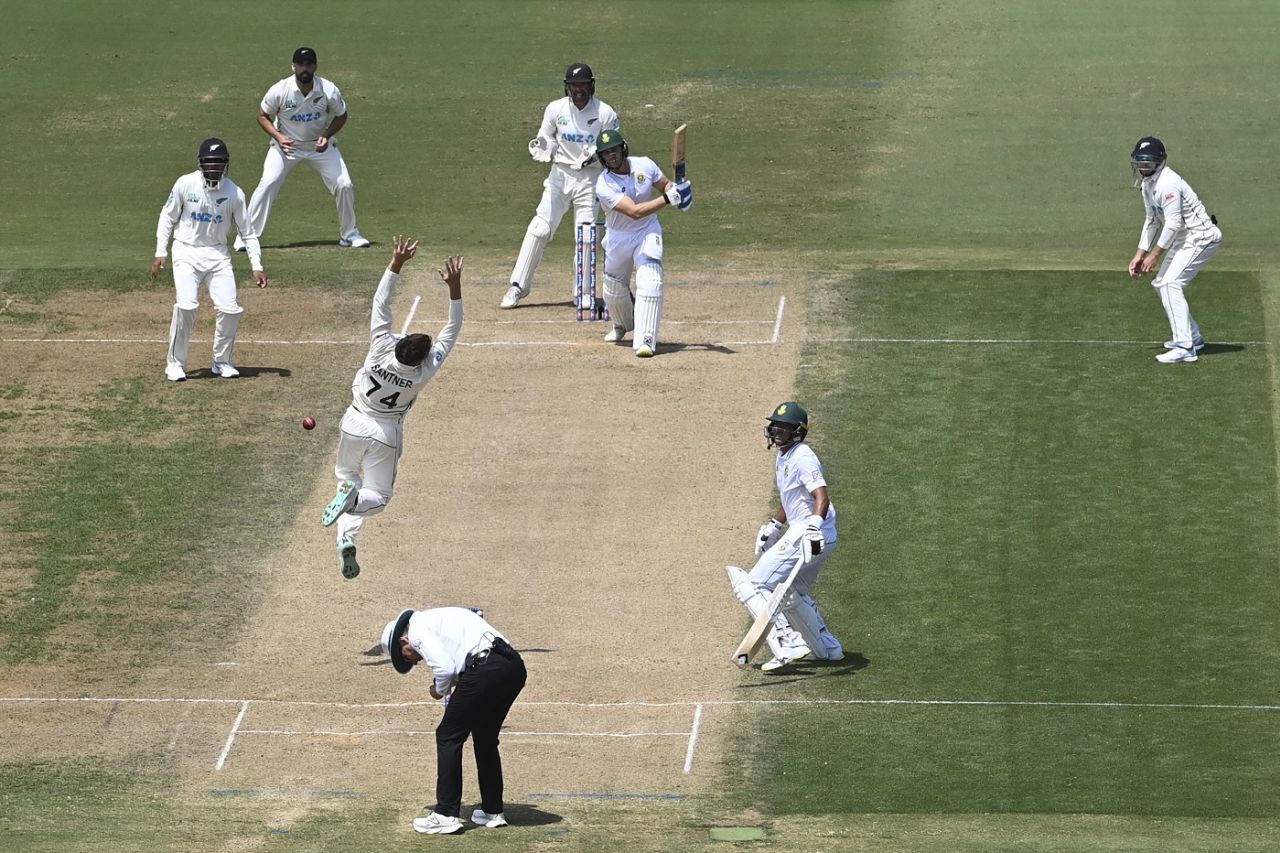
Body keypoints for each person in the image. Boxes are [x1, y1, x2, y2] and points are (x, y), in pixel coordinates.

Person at [320, 239, 463, 579]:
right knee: (379, 497)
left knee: (348, 478)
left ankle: (346, 539)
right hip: (385, 433)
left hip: (354, 420)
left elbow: (381, 303)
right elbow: (452, 330)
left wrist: (396, 263)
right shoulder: (424, 371)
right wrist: (454, 289)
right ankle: (352, 504)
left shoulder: (381, 345)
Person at [381, 606, 528, 835]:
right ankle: (493, 811)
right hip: (513, 668)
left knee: (447, 735)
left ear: (403, 641)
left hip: (485, 667)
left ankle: (446, 814)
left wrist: (438, 690)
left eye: (406, 658)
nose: (414, 663)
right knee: (485, 736)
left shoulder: (418, 628)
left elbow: (446, 669)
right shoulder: (440, 618)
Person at [727, 402, 844, 672]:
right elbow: (793, 497)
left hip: (810, 532)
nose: (777, 431)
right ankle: (827, 648)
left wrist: (812, 528)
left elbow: (821, 496)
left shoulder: (803, 457)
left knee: (754, 584)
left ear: (798, 432)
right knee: (793, 593)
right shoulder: (784, 456)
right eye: (775, 425)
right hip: (816, 533)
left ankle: (788, 641)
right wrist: (774, 525)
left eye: (784, 427)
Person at [500, 62, 620, 310]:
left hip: (590, 179)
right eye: (574, 85)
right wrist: (546, 148)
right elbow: (545, 137)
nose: (579, 90)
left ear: (591, 86)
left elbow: (614, 147)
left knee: (586, 236)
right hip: (560, 176)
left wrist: (595, 155)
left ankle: (584, 292)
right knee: (540, 228)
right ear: (567, 87)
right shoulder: (555, 109)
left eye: (583, 85)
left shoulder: (606, 113)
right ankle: (518, 287)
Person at [151, 137, 268, 382]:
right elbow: (167, 216)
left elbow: (247, 232)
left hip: (218, 255)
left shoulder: (235, 193)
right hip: (186, 252)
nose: (214, 168)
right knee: (186, 307)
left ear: (226, 164)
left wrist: (257, 266)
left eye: (219, 163)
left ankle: (222, 362)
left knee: (230, 309)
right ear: (201, 163)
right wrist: (161, 251)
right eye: (209, 163)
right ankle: (175, 363)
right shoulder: (185, 184)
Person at [234, 47, 369, 251]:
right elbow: (262, 115)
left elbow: (342, 115)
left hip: (320, 147)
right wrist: (279, 137)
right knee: (268, 183)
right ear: (293, 66)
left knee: (344, 184)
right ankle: (247, 237)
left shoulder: (328, 89)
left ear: (315, 66)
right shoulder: (280, 89)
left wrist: (326, 135)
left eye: (308, 64)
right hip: (286, 148)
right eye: (300, 64)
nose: (304, 68)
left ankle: (349, 235)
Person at [593, 128, 692, 357]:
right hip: (619, 236)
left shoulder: (645, 165)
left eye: (614, 150)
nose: (612, 156)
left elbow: (664, 183)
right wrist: (668, 199)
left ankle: (646, 340)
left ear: (623, 148)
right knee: (614, 289)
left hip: (647, 231)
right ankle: (622, 326)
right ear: (602, 158)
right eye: (606, 153)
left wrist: (675, 189)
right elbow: (635, 212)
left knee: (650, 281)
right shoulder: (604, 184)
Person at [1128, 136, 1222, 364]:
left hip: (1201, 237)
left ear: (1160, 162)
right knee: (1161, 284)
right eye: (1140, 162)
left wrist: (1155, 255)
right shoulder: (1147, 185)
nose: (1144, 167)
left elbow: (1173, 223)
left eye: (1148, 162)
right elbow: (1152, 220)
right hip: (1184, 240)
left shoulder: (1167, 183)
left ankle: (1185, 347)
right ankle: (1194, 337)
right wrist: (1140, 254)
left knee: (1171, 284)